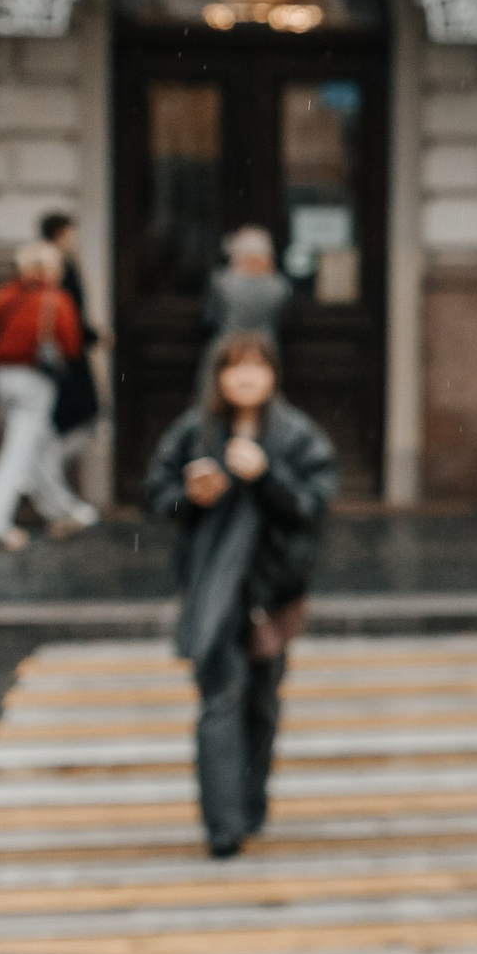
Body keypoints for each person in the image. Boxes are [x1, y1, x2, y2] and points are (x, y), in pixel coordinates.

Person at [145, 331, 337, 859]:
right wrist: (192, 494)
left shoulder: (297, 435)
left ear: (273, 374)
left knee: (263, 701)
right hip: (212, 590)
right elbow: (158, 496)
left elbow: (313, 505)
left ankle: (251, 803)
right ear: (219, 376)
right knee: (221, 697)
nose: (246, 376)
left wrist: (266, 476)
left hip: (273, 592)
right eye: (234, 367)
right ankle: (222, 825)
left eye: (256, 366)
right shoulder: (194, 432)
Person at [0, 239, 96, 551]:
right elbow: (71, 345)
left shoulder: (2, 296)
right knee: (18, 451)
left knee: (40, 445)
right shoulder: (55, 299)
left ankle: (64, 510)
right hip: (34, 380)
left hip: (1, 377)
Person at [37, 213, 102, 474]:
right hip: (64, 358)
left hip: (60, 357)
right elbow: (69, 317)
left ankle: (44, 473)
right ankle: (42, 471)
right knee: (80, 414)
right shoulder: (60, 273)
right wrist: (89, 336)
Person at [199, 226, 291, 394]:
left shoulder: (221, 281)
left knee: (215, 399)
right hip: (266, 352)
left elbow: (210, 318)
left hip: (227, 351)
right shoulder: (280, 285)